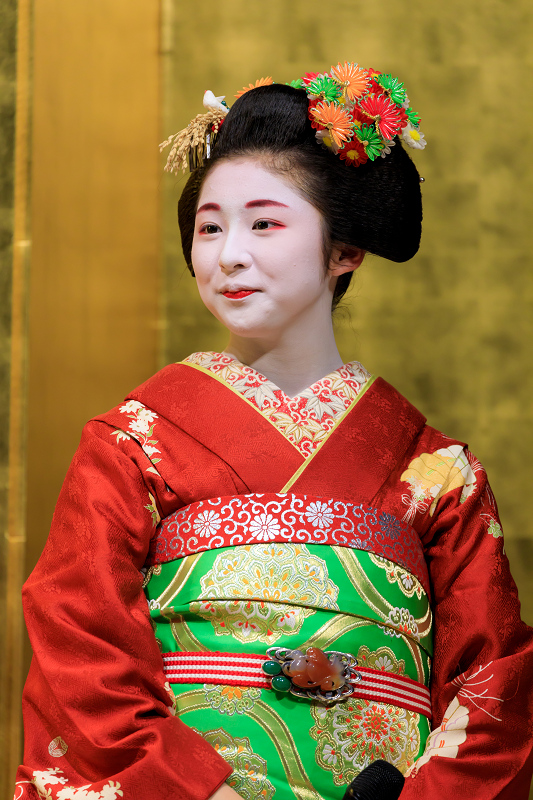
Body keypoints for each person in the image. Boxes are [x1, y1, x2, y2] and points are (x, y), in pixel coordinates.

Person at [14, 63, 533, 800]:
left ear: (343, 252)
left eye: (265, 223)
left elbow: (494, 686)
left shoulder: (436, 471)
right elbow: (81, 639)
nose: (228, 255)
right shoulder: (132, 441)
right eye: (209, 228)